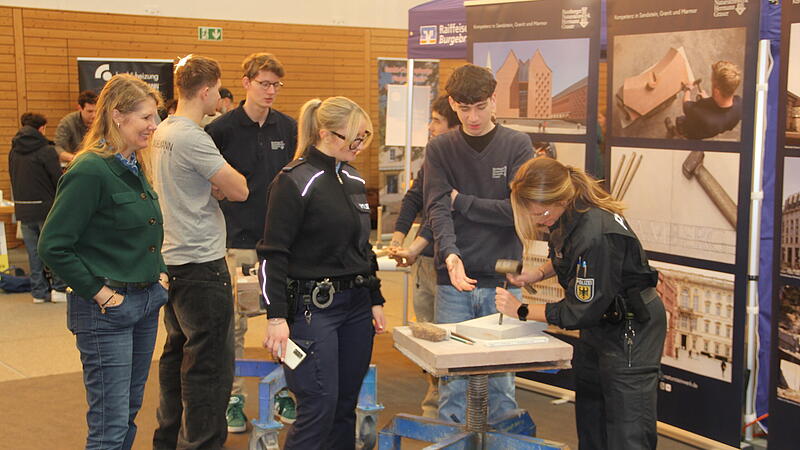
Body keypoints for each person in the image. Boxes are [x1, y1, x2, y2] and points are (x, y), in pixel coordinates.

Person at [494, 157, 667, 450]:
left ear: (561, 198)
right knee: (592, 417)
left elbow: (579, 310)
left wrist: (521, 310)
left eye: (542, 212)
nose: (540, 221)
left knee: (628, 427)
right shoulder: (569, 215)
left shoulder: (595, 232)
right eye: (533, 214)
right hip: (600, 326)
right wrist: (534, 274)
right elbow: (567, 256)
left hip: (630, 329)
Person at [38, 74, 169, 449]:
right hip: (107, 312)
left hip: (143, 303)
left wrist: (158, 275)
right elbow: (54, 245)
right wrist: (101, 294)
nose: (154, 125)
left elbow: (145, 229)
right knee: (109, 425)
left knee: (126, 413)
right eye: (146, 117)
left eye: (154, 116)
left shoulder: (133, 164)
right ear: (117, 116)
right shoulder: (90, 169)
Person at [259, 96, 386, 450]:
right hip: (314, 311)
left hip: (357, 307)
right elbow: (272, 255)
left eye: (364, 138)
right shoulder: (295, 180)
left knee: (344, 405)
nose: (360, 146)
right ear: (326, 133)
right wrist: (275, 317)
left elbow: (363, 248)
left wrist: (375, 298)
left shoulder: (354, 178)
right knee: (319, 407)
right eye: (354, 138)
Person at [422, 64, 532, 424]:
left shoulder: (517, 145)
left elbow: (516, 211)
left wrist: (462, 202)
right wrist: (450, 255)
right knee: (451, 382)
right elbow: (438, 207)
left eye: (480, 107)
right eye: (463, 108)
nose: (472, 117)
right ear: (452, 103)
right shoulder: (440, 148)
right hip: (454, 277)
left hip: (502, 276)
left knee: (501, 385)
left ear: (494, 100)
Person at [151, 55, 249, 449]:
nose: (220, 103)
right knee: (209, 370)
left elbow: (193, 184)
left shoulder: (161, 131)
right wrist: (220, 184)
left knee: (178, 358)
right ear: (207, 91)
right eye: (218, 92)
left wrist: (211, 185)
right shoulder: (193, 136)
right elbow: (240, 189)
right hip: (200, 263)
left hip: (172, 259)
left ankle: (169, 440)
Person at [205, 52, 297, 432]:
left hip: (279, 245)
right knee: (234, 328)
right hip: (234, 242)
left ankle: (284, 393)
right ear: (245, 83)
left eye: (276, 84)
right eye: (264, 83)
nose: (271, 91)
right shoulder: (221, 130)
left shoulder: (289, 127)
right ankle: (233, 399)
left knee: (286, 323)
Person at [387, 94, 460, 418]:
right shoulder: (432, 157)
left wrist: (416, 245)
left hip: (448, 263)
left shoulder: (459, 162)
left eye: (436, 121)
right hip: (426, 264)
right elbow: (415, 197)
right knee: (429, 339)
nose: (429, 127)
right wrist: (399, 236)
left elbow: (437, 213)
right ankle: (434, 407)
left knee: (449, 342)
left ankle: (445, 412)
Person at [9, 112, 66, 303]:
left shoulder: (14, 150)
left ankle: (38, 292)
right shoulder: (46, 150)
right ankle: (58, 288)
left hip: (23, 208)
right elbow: (57, 178)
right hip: (46, 208)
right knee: (52, 249)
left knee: (33, 253)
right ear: (41, 128)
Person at [664, 60, 742, 140]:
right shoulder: (740, 106)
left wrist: (687, 89)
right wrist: (709, 99)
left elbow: (686, 104)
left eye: (712, 82)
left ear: (717, 91)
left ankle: (673, 132)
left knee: (681, 130)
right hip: (704, 133)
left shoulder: (699, 113)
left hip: (689, 130)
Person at [54, 90, 98, 163]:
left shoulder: (101, 121)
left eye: (96, 111)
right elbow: (57, 148)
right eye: (90, 111)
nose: (94, 115)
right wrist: (75, 158)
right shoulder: (67, 122)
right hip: (74, 164)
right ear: (80, 108)